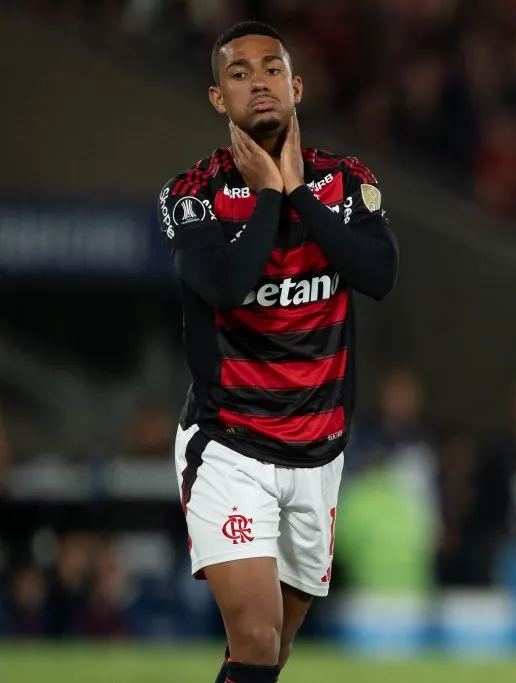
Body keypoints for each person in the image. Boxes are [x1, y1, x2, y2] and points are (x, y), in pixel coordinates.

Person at [156, 20, 398, 683]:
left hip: (319, 449)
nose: (256, 82)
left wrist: (296, 190)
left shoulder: (346, 184)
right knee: (257, 636)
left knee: (269, 656)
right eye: (238, 73)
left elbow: (378, 275)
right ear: (217, 99)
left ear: (295, 86)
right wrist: (269, 190)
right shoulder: (192, 196)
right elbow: (230, 287)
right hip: (230, 445)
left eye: (269, 69)